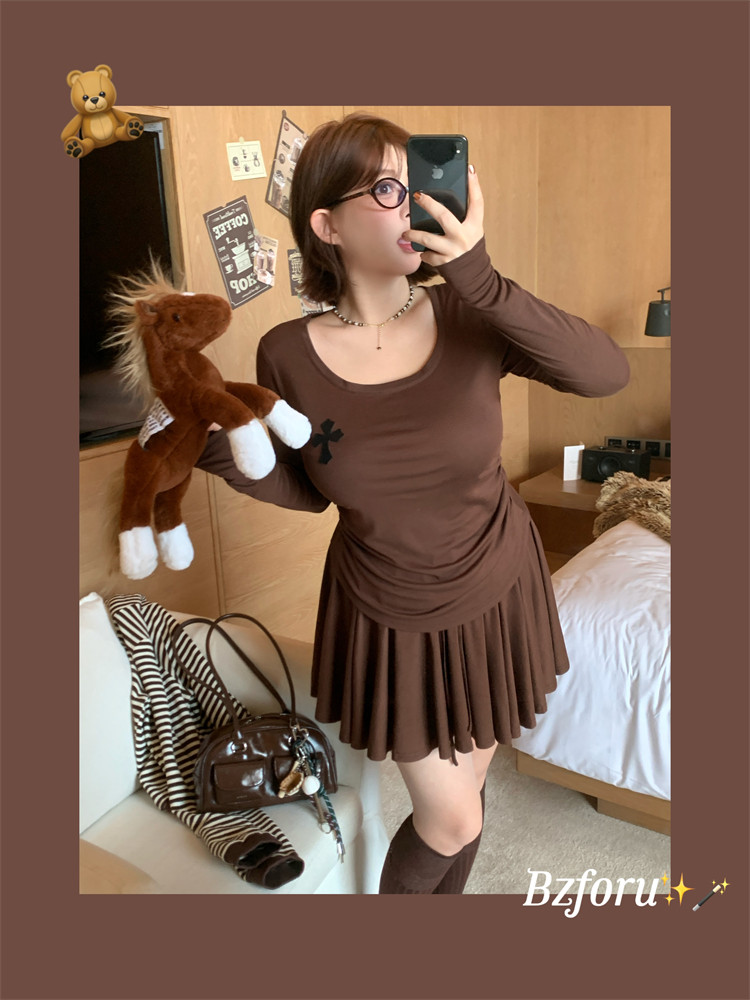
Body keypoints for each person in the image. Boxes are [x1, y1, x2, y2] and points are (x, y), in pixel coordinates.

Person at [197, 111, 630, 894]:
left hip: (497, 584)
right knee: (451, 819)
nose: (416, 205)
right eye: (388, 189)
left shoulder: (469, 311)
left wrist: (481, 278)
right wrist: (217, 453)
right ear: (326, 224)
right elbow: (310, 488)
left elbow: (606, 374)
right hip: (388, 609)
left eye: (421, 185)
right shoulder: (286, 353)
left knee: (469, 792)